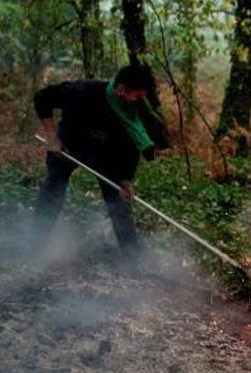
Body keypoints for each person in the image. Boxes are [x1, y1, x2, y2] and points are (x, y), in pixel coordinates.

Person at [33, 63, 166, 260]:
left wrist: (125, 179)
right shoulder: (83, 91)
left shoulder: (131, 111)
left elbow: (130, 148)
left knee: (118, 202)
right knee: (53, 189)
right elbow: (41, 98)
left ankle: (133, 260)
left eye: (142, 96)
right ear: (121, 89)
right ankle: (34, 245)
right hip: (68, 146)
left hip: (106, 156)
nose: (140, 100)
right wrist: (52, 137)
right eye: (137, 95)